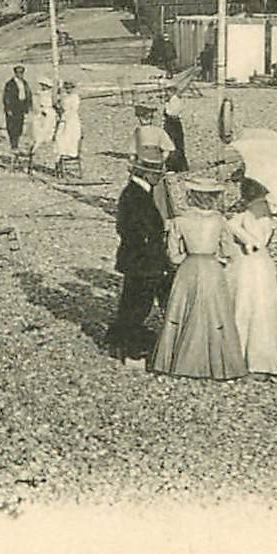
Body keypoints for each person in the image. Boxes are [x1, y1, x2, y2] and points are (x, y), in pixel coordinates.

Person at [148, 176, 247, 380]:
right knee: (215, 313)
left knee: (184, 309)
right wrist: (218, 259)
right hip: (211, 267)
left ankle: (180, 361)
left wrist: (187, 258)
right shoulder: (220, 221)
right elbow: (229, 250)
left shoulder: (180, 220)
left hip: (189, 267)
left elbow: (173, 254)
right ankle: (217, 364)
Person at [106, 146, 173, 366]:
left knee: (133, 301)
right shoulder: (136, 196)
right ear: (148, 174)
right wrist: (154, 242)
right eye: (157, 174)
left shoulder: (135, 192)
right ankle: (129, 348)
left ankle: (122, 341)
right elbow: (133, 229)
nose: (159, 177)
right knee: (138, 303)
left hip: (136, 258)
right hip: (143, 260)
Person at [226, 177, 277, 377]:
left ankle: (245, 357)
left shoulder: (251, 212)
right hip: (262, 263)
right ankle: (262, 358)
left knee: (245, 306)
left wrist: (240, 231)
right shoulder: (267, 210)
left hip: (249, 263)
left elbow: (250, 238)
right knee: (262, 308)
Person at [1, 65, 32, 151]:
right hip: (13, 106)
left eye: (21, 73)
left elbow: (28, 94)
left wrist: (28, 106)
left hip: (21, 106)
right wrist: (8, 109)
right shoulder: (10, 84)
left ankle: (16, 142)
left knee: (19, 126)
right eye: (18, 72)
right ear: (15, 73)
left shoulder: (24, 83)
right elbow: (6, 97)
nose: (20, 74)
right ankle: (13, 145)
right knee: (12, 126)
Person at [54, 80, 82, 163]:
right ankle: (62, 152)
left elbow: (73, 108)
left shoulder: (75, 97)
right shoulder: (64, 97)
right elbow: (60, 105)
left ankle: (71, 152)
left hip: (71, 118)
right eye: (66, 88)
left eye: (69, 88)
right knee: (60, 136)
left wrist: (65, 114)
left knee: (71, 134)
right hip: (64, 117)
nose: (68, 90)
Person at [30, 80, 58, 157]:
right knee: (38, 127)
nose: (43, 87)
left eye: (45, 85)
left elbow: (54, 102)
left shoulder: (51, 94)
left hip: (49, 111)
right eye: (42, 85)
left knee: (48, 127)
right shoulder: (39, 93)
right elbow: (36, 103)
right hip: (41, 110)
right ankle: (37, 142)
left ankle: (46, 140)